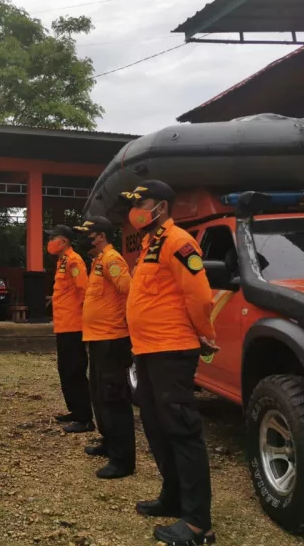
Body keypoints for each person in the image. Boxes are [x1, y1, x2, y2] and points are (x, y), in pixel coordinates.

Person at [120, 180, 217, 546]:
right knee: (156, 425)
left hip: (172, 349)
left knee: (181, 430)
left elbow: (199, 295)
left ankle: (198, 525)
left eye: (140, 203)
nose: (135, 210)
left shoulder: (178, 242)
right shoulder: (150, 244)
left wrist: (205, 334)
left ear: (161, 206)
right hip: (147, 349)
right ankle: (173, 497)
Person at [74, 216, 135, 479]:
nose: (84, 238)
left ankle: (122, 461)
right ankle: (109, 442)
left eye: (87, 234)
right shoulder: (98, 261)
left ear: (100, 236)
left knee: (114, 399)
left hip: (112, 339)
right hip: (97, 338)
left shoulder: (112, 260)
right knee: (99, 395)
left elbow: (129, 290)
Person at [45, 224, 94, 434]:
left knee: (74, 370)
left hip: (74, 326)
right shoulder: (63, 261)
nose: (49, 242)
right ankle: (75, 411)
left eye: (52, 238)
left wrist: (87, 321)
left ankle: (85, 418)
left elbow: (85, 290)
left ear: (63, 241)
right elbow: (67, 291)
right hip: (64, 326)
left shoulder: (74, 261)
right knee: (65, 370)